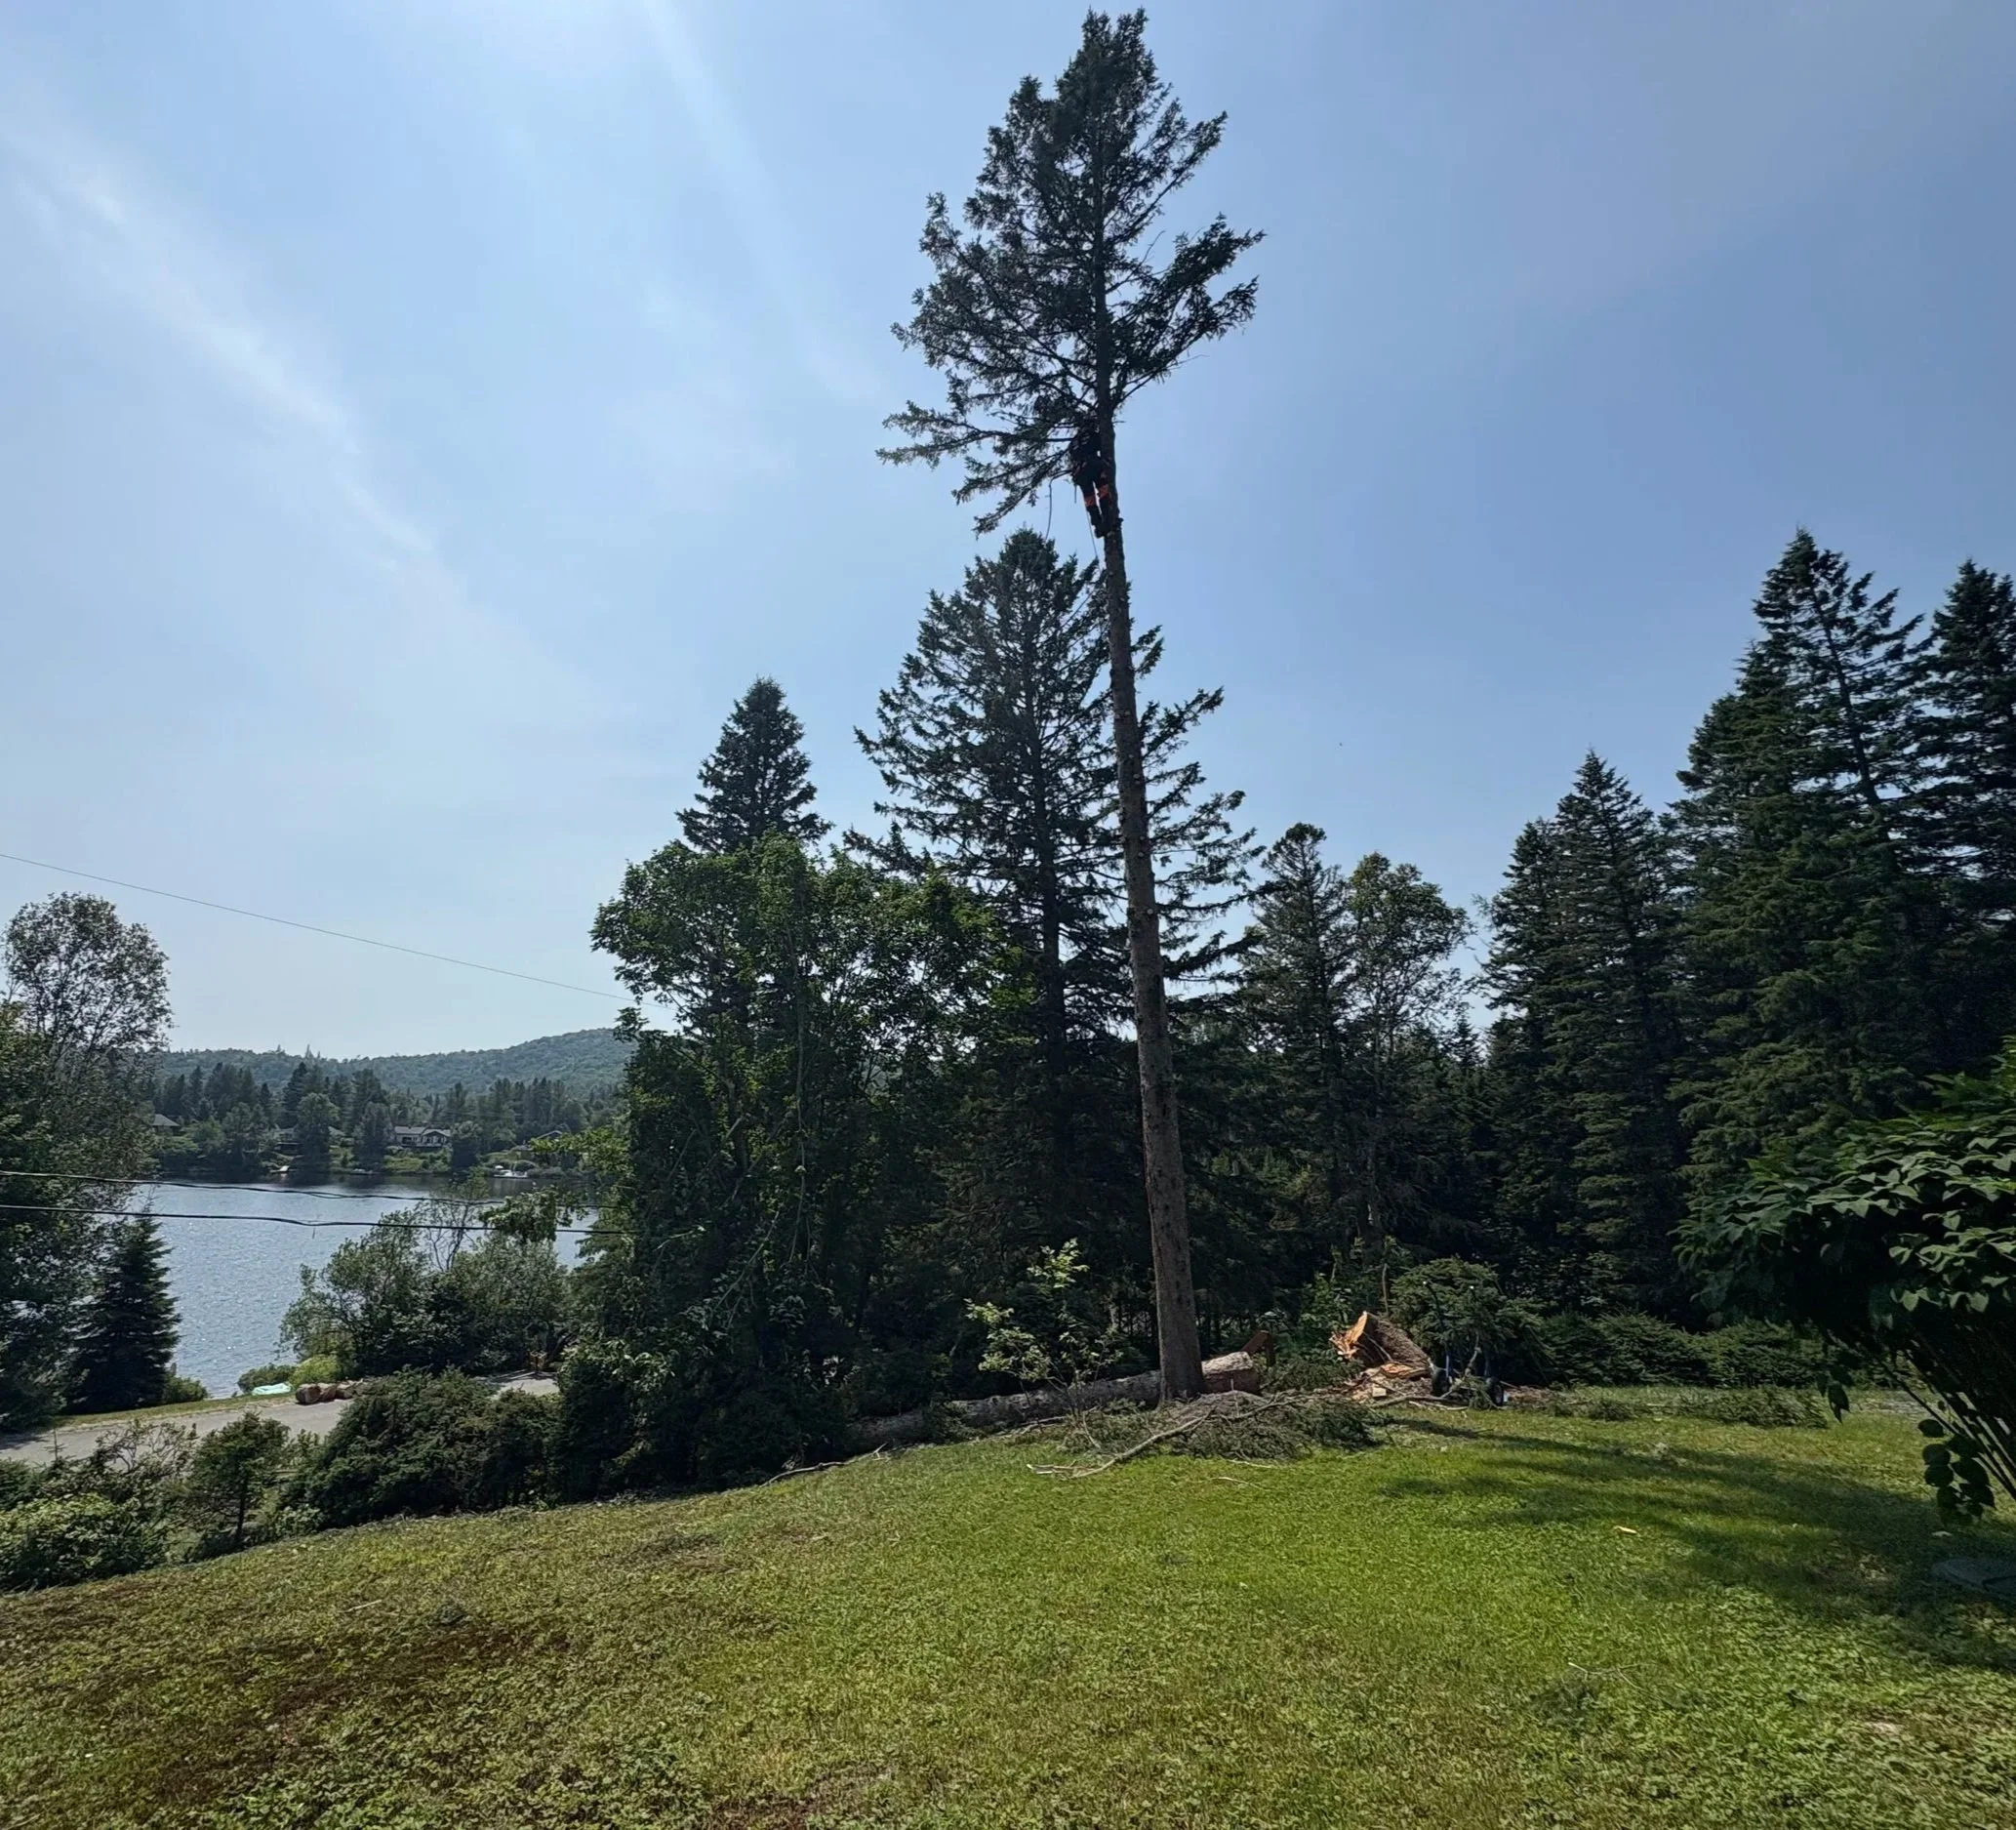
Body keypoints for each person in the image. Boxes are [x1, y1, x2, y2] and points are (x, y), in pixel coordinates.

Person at [1068, 423, 1116, 539]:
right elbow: (1102, 444)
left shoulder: (1073, 443)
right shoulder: (1091, 435)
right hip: (1093, 466)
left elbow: (1072, 456)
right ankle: (1108, 521)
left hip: (1079, 473)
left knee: (1090, 500)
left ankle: (1097, 525)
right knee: (1104, 493)